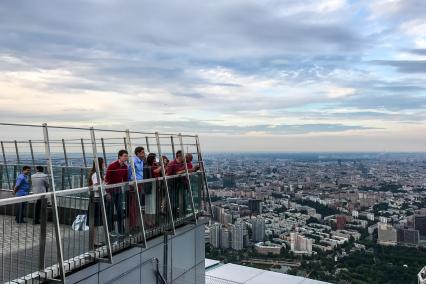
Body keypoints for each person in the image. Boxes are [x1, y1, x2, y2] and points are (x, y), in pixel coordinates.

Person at [104, 150, 128, 237]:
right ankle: (111, 230)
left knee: (120, 211)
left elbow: (125, 180)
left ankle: (121, 230)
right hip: (111, 191)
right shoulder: (112, 166)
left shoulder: (125, 167)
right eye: (125, 156)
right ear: (119, 156)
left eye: (127, 156)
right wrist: (108, 193)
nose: (126, 157)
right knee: (110, 211)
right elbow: (107, 180)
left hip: (118, 191)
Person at [88, 157, 105, 246]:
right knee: (95, 221)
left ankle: (94, 241)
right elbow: (95, 187)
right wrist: (103, 186)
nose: (104, 164)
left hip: (95, 198)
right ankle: (94, 241)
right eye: (103, 163)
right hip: (96, 198)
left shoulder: (95, 173)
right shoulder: (96, 174)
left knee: (95, 221)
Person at [127, 147, 145, 232]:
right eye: (142, 152)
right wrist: (132, 183)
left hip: (140, 183)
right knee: (133, 205)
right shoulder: (134, 161)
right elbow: (130, 172)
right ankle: (132, 224)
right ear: (137, 153)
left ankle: (135, 223)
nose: (143, 154)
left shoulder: (141, 161)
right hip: (135, 184)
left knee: (137, 205)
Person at [166, 151, 187, 218]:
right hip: (173, 185)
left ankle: (178, 215)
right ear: (179, 156)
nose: (184, 157)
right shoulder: (172, 163)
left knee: (179, 201)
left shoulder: (182, 164)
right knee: (173, 201)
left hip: (180, 185)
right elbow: (168, 175)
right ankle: (172, 216)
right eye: (183, 156)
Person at [144, 153, 162, 227]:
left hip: (154, 185)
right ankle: (149, 221)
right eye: (154, 158)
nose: (155, 160)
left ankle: (151, 221)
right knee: (150, 203)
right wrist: (161, 166)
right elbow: (155, 171)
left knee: (153, 203)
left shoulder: (154, 165)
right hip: (150, 185)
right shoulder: (148, 166)